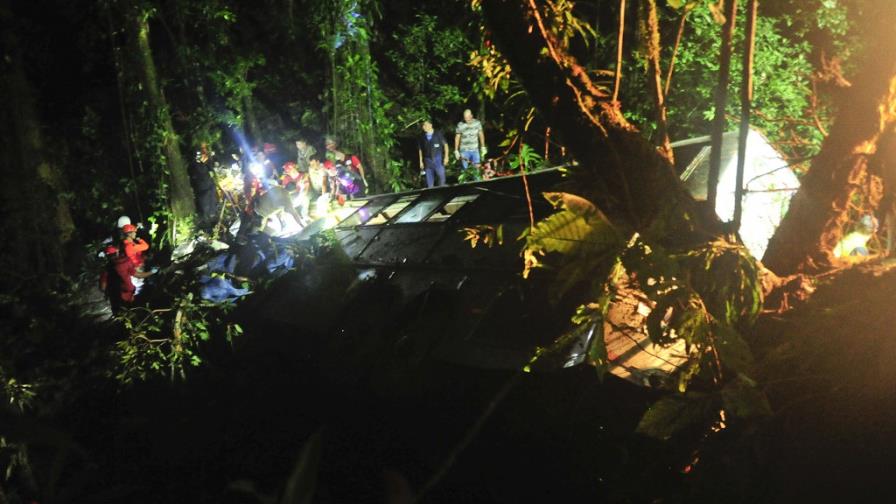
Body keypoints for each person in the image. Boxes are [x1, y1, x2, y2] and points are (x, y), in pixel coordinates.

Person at [99, 245, 154, 313]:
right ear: (117, 252)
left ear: (107, 256)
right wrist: (152, 272)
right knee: (134, 311)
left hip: (117, 297)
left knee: (122, 315)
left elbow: (103, 287)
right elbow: (139, 275)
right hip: (130, 292)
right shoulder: (126, 261)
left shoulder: (106, 269)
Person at [189, 143, 221, 231]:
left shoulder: (204, 163)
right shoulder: (194, 165)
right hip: (203, 189)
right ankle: (207, 227)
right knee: (205, 208)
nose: (204, 154)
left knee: (212, 205)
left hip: (209, 187)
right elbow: (199, 174)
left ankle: (213, 221)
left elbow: (211, 171)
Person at [454, 109, 486, 180]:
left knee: (476, 169)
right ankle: (464, 184)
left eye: (468, 117)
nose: (466, 119)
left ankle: (477, 183)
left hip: (475, 150)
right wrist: (456, 150)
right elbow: (457, 137)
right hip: (464, 150)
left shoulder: (477, 123)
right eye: (465, 118)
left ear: (471, 116)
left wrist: (483, 146)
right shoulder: (460, 124)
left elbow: (481, 134)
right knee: (464, 170)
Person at [418, 119, 448, 188]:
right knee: (429, 183)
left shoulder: (438, 134)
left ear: (430, 125)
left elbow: (445, 145)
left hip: (438, 159)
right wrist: (421, 161)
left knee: (441, 177)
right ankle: (431, 194)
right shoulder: (422, 137)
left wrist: (446, 157)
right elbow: (420, 150)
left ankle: (443, 190)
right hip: (428, 161)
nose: (424, 127)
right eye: (423, 126)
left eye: (425, 125)